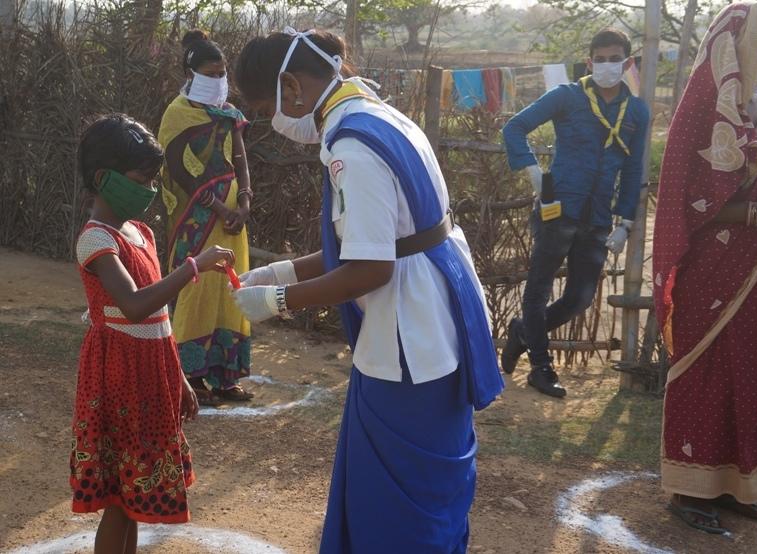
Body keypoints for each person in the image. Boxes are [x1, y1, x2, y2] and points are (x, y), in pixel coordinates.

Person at [232, 27, 504, 553]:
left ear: (291, 86)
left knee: (397, 509)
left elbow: (372, 268)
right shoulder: (382, 115)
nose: (275, 120)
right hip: (438, 321)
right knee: (429, 489)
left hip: (409, 345)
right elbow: (389, 240)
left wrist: (277, 301)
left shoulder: (351, 145)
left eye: (268, 107)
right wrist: (284, 271)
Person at [653, 3, 757, 534]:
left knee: (754, 371)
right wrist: (755, 213)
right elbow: (685, 198)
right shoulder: (702, 111)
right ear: (735, 48)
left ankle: (739, 485)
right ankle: (689, 486)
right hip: (714, 269)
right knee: (707, 371)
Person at [72, 113, 235, 553]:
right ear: (104, 178)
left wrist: (177, 378)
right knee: (120, 500)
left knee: (135, 496)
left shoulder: (140, 233)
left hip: (150, 373)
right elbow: (134, 303)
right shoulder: (96, 240)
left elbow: (159, 316)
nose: (149, 190)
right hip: (118, 378)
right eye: (142, 179)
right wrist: (193, 266)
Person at [501, 29, 650, 397]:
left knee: (580, 298)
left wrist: (626, 221)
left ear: (627, 63)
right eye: (599, 59)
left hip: (598, 217)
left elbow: (633, 170)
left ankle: (522, 331)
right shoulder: (567, 96)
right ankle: (540, 367)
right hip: (557, 209)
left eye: (614, 59)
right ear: (589, 62)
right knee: (537, 290)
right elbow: (514, 128)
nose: (606, 66)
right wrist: (533, 172)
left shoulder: (637, 111)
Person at [158, 30, 254, 406]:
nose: (220, 81)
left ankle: (226, 376)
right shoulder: (177, 115)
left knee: (230, 289)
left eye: (223, 73)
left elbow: (241, 160)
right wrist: (220, 207)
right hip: (195, 217)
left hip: (233, 219)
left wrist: (244, 204)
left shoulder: (230, 114)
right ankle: (190, 377)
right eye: (212, 74)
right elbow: (180, 170)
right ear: (191, 73)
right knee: (196, 287)